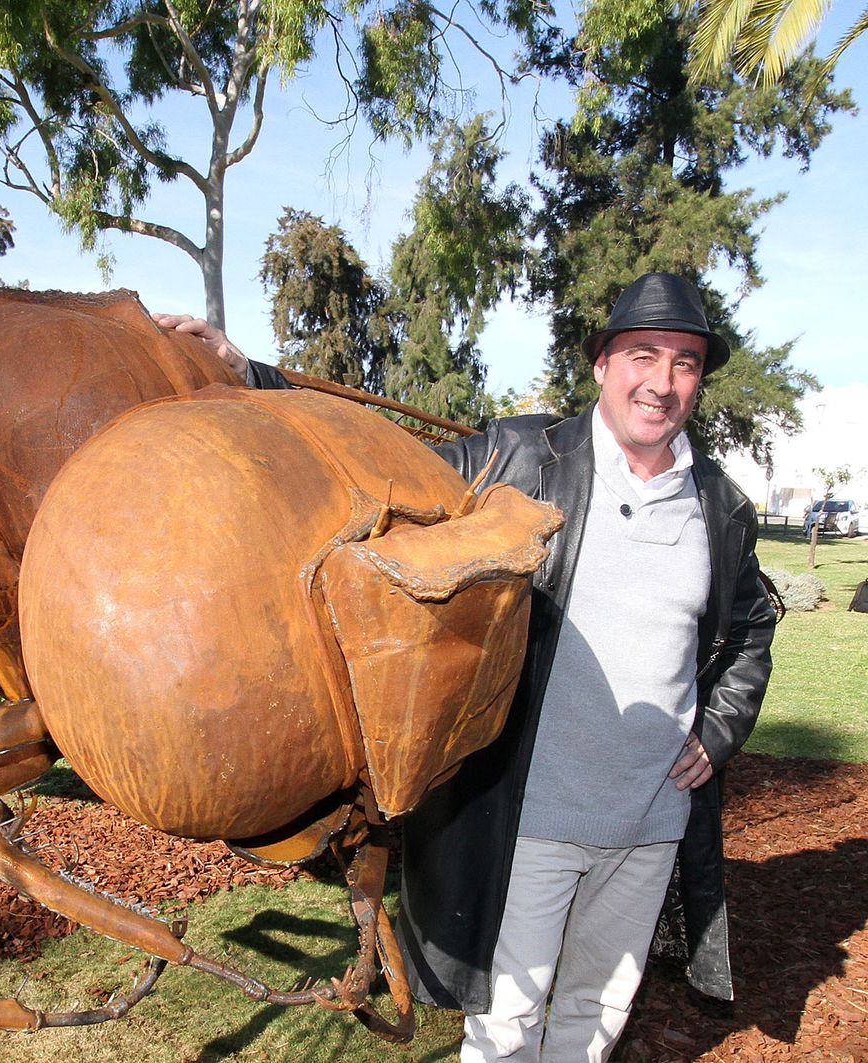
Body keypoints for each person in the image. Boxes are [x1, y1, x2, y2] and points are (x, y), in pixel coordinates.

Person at [155, 271, 775, 1061]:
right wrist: (256, 375)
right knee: (507, 1020)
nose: (661, 382)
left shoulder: (717, 503)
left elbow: (752, 625)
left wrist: (719, 727)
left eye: (685, 363)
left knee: (598, 1009)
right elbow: (386, 462)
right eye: (642, 355)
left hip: (650, 825)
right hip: (529, 815)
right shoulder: (525, 457)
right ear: (601, 364)